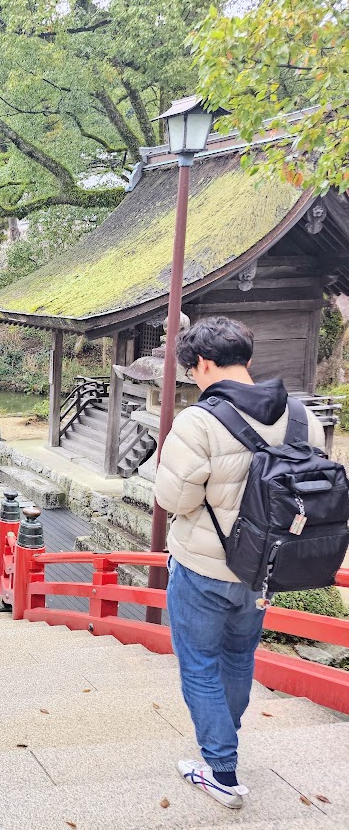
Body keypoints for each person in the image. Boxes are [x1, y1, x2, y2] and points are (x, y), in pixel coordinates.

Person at [154, 317, 324, 810]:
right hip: (266, 570)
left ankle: (221, 770)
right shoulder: (301, 417)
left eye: (193, 370)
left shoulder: (198, 421)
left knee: (201, 664)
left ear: (203, 364)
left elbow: (175, 498)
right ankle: (222, 753)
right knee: (237, 658)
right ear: (245, 357)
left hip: (205, 569)